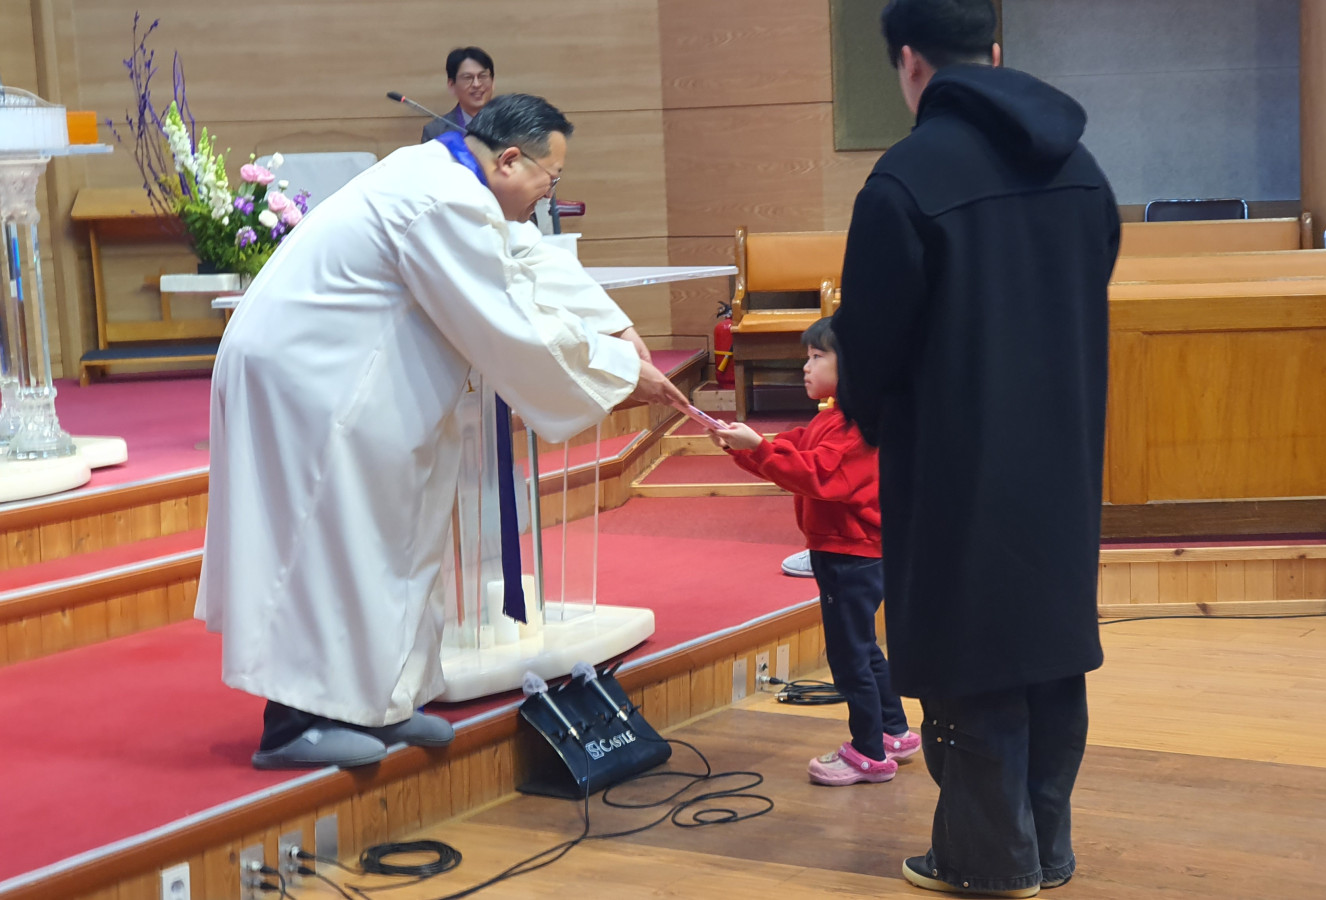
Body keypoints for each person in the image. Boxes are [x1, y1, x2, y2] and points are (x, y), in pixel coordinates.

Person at [197, 93, 689, 770]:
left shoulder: (454, 180)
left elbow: (525, 257)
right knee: (323, 543)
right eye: (550, 179)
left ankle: (379, 703)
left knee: (389, 538)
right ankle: (292, 725)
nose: (549, 195)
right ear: (509, 160)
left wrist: (615, 328)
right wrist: (622, 371)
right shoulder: (443, 198)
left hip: (337, 377)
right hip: (308, 380)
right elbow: (508, 319)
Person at [830, 0, 1121, 895]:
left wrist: (878, 421)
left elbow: (868, 348)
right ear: (993, 53)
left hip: (956, 464)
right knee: (1048, 651)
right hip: (1064, 460)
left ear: (910, 63)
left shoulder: (903, 179)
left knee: (969, 656)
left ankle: (988, 862)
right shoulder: (1081, 167)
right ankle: (1047, 849)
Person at [710, 318, 920, 785]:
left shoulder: (854, 429)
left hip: (850, 557)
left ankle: (869, 754)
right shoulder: (835, 419)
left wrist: (758, 448)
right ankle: (894, 731)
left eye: (816, 357)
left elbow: (816, 474)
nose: (805, 366)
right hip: (853, 553)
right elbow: (792, 453)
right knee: (863, 648)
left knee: (848, 658)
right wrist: (745, 447)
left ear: (853, 366)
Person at [422, 47, 495, 142]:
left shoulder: (510, 124)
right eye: (468, 77)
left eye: (482, 76)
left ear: (493, 82)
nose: (476, 84)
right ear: (452, 85)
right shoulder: (435, 132)